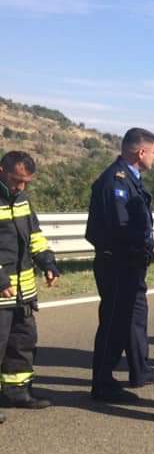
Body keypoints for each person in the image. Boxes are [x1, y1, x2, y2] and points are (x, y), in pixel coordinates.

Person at [87, 128, 154, 403]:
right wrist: (148, 245)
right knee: (114, 322)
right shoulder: (115, 181)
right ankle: (102, 383)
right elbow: (122, 228)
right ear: (141, 152)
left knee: (135, 316)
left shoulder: (132, 179)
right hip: (117, 262)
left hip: (132, 262)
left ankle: (140, 370)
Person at [0, 151, 60, 418]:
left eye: (26, 182)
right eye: (17, 180)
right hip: (2, 289)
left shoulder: (22, 200)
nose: (21, 187)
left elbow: (34, 235)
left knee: (22, 343)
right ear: (1, 171)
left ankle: (17, 393)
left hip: (22, 293)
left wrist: (48, 263)